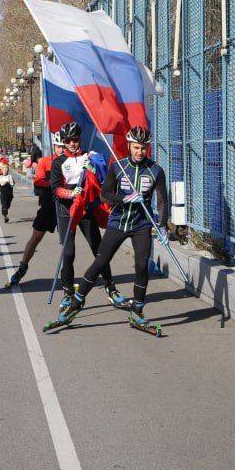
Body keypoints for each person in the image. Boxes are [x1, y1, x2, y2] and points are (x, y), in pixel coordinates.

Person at [51, 126, 169, 332]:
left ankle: (137, 312)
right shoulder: (119, 167)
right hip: (118, 223)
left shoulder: (156, 171)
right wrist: (125, 198)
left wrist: (163, 226)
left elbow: (162, 200)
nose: (139, 152)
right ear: (129, 146)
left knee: (142, 267)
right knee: (100, 262)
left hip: (141, 225)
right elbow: (105, 195)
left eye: (143, 148)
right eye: (136, 147)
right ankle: (76, 304)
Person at [48, 122, 125, 310]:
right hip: (67, 211)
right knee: (68, 253)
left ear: (79, 138)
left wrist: (94, 171)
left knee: (99, 251)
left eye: (75, 139)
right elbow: (55, 188)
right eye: (68, 141)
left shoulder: (89, 156)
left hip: (86, 210)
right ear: (63, 142)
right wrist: (70, 194)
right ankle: (67, 292)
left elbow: (104, 179)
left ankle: (111, 288)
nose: (72, 143)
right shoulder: (58, 162)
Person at [6, 133, 63, 287]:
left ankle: (67, 274)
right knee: (35, 238)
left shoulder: (71, 162)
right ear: (54, 146)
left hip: (66, 207)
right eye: (59, 146)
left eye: (63, 147)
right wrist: (54, 183)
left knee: (67, 243)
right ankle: (22, 267)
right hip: (48, 206)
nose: (61, 149)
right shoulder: (46, 162)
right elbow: (38, 181)